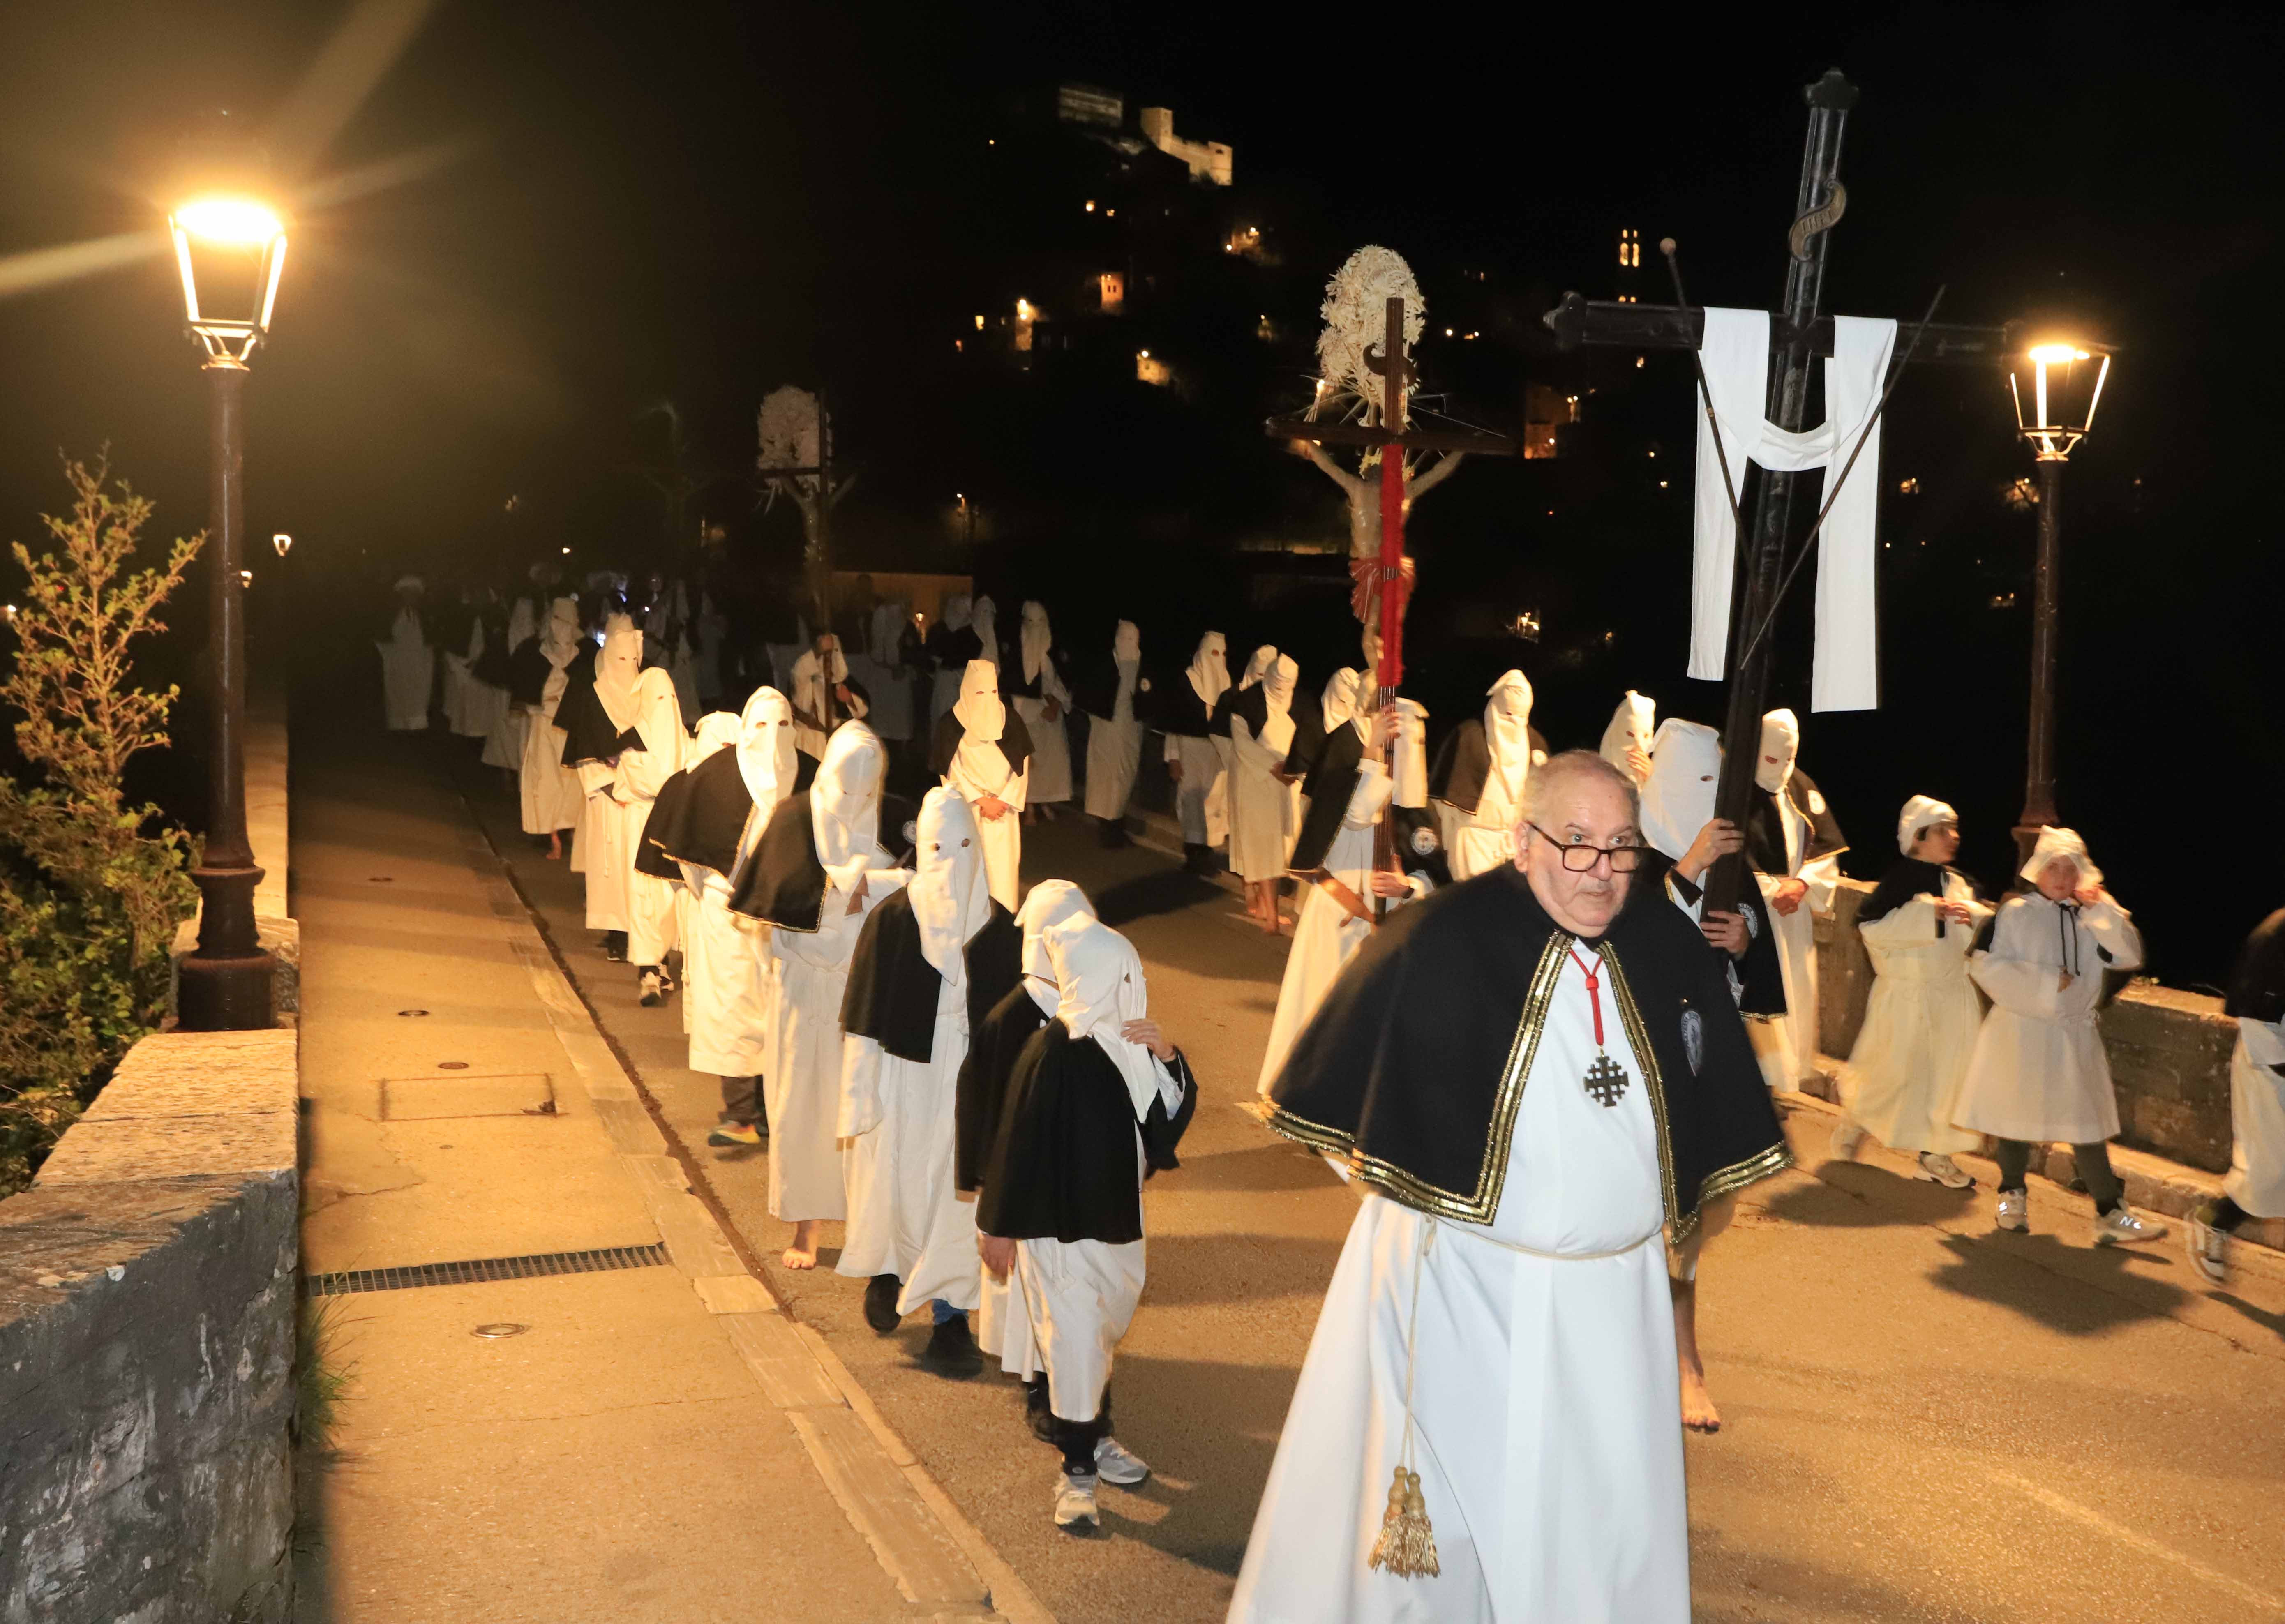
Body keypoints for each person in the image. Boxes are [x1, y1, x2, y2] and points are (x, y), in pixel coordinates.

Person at [1231, 750, 1789, 1622]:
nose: (1600, 871)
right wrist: (1436, 1218)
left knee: (1597, 1526)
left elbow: (1704, 1084)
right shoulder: (1440, 938)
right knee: (1460, 1530)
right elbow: (1361, 1122)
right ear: (1523, 843)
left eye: (1619, 846)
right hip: (1471, 1295)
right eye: (1575, 842)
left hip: (1615, 1299)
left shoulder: (1657, 940)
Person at [975, 914, 1198, 1532]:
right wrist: (997, 1226)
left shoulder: (1127, 1043)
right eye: (1126, 975)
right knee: (1073, 1345)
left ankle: (1094, 1440)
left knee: (1097, 1339)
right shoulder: (1052, 1051)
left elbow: (1162, 1130)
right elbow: (1013, 1146)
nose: (1137, 984)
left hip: (1116, 1222)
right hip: (1062, 1231)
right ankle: (1077, 1476)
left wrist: (1169, 1058)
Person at [837, 787, 1022, 1370]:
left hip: (969, 1088)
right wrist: (857, 1095)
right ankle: (888, 1273)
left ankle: (951, 1320)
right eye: (940, 848)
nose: (951, 863)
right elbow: (864, 1019)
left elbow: (1021, 1025)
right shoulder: (892, 919)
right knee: (894, 1184)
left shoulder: (1000, 926)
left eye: (963, 847)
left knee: (955, 1199)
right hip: (902, 1079)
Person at [732, 718, 904, 1267]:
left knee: (868, 1106)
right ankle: (808, 1228)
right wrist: (843, 906)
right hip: (808, 996)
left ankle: (871, 1224)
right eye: (843, 787)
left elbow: (927, 887)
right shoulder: (791, 822)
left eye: (865, 790)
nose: (853, 801)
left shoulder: (895, 819)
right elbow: (779, 921)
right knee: (806, 1110)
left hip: (871, 989)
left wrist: (869, 888)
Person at [1953, 827, 2164, 1243]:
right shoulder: (2014, 913)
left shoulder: (2091, 916)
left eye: (2071, 868)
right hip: (2022, 1030)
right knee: (2014, 1117)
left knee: (2086, 1124)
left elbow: (2129, 955)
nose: (2062, 876)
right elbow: (1983, 964)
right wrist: (2047, 983)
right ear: (2039, 869)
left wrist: (2102, 908)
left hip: (2072, 1036)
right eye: (2054, 866)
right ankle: (2010, 1197)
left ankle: (2109, 1213)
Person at [961, 880, 1098, 1399]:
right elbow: (987, 1117)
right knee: (1033, 1298)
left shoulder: (1093, 1003)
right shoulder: (1007, 1021)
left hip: (1077, 1176)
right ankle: (1041, 1384)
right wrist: (995, 1211)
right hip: (1025, 1184)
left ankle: (1076, 1381)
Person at [645, 690, 799, 1149]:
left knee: (782, 1014)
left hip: (786, 916)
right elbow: (692, 862)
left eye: (783, 726)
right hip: (728, 912)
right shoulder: (714, 776)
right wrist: (718, 894)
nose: (773, 738)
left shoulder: (809, 775)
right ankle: (741, 1114)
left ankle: (773, 1111)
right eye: (762, 726)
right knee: (736, 1011)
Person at [1256, 692, 1417, 1096]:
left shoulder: (1414, 802)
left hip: (1385, 927)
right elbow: (1359, 814)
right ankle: (1305, 1098)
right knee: (1320, 1014)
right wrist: (1372, 752)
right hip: (1338, 916)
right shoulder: (1348, 777)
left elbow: (1429, 872)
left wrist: (1409, 886)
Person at [1830, 796, 1990, 1188]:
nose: (1952, 837)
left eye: (1955, 830)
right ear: (1918, 837)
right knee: (1893, 1073)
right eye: (1941, 830)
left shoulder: (1959, 883)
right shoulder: (1901, 880)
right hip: (1909, 996)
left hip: (1951, 997)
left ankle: (1935, 1156)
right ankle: (1857, 1120)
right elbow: (1870, 927)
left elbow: (1975, 936)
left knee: (1949, 1078)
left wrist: (1973, 916)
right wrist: (1925, 914)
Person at [1743, 708, 1847, 1093]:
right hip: (1753, 913)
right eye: (1774, 759)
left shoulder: (1801, 788)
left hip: (1793, 912)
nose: (1783, 768)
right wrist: (1770, 891)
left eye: (1790, 759)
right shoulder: (1733, 788)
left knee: (1793, 992)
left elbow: (1826, 850)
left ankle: (1782, 1081)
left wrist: (1803, 884)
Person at [2188, 907, 2285, 1282]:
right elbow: (2254, 1012)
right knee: (2268, 1169)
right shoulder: (2275, 935)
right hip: (2271, 1064)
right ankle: (2213, 1222)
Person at [558, 625, 647, 961]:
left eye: (633, 659)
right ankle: (616, 935)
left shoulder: (646, 694)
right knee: (611, 870)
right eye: (620, 658)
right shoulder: (592, 697)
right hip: (607, 799)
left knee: (638, 870)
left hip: (640, 796)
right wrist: (610, 786)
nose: (627, 665)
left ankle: (644, 936)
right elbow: (585, 750)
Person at [930, 659, 1032, 911]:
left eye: (993, 692)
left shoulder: (1011, 721)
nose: (987, 699)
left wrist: (1004, 800)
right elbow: (951, 769)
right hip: (968, 812)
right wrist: (979, 799)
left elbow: (1022, 767)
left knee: (1002, 873)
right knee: (968, 871)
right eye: (979, 692)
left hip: (1003, 813)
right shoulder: (952, 723)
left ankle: (1002, 925)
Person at [617, 664, 690, 1004]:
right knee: (645, 896)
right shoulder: (632, 741)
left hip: (673, 826)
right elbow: (649, 784)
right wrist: (676, 782)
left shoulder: (685, 740)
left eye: (670, 698)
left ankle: (661, 964)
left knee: (671, 899)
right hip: (643, 823)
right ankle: (648, 967)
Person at [1427, 671, 1549, 863]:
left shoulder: (1535, 744)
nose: (1515, 723)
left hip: (1515, 844)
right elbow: (1443, 803)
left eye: (1521, 717)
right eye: (1509, 714)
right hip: (1473, 842)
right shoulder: (1469, 737)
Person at [1228, 651, 1301, 933]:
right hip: (1253, 782)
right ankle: (1271, 917)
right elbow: (1243, 745)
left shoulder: (1298, 704)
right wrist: (1275, 768)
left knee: (1275, 849)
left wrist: (1294, 769)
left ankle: (1265, 907)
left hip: (1282, 786)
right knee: (1264, 849)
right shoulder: (1245, 704)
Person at [514, 597, 586, 859]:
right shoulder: (534, 652)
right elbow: (527, 688)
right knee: (546, 780)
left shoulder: (585, 653)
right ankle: (553, 836)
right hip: (544, 724)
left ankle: (572, 831)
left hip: (571, 727)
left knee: (572, 782)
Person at [1162, 631, 1230, 877]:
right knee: (1191, 799)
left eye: (1222, 654)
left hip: (1216, 750)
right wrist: (1173, 757)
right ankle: (1194, 853)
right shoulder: (1186, 680)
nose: (1218, 659)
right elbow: (1173, 722)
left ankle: (1207, 851)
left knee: (1213, 800)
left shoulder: (1226, 682)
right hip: (1189, 747)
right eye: (1214, 653)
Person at [1076, 621, 1149, 848]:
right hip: (1107, 729)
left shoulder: (1140, 664)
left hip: (1131, 729)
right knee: (1107, 778)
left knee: (1125, 777)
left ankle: (1117, 824)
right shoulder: (1105, 665)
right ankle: (1108, 828)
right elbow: (1091, 696)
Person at [1008, 602, 1073, 819]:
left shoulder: (1052, 651)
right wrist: (1036, 707)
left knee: (1053, 761)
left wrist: (1055, 704)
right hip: (1028, 714)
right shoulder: (1017, 654)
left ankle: (1046, 801)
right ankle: (1029, 806)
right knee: (1031, 763)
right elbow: (1017, 686)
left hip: (1051, 712)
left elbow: (1059, 681)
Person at [789, 632, 866, 761]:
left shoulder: (840, 683)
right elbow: (800, 671)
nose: (829, 661)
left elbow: (861, 711)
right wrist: (818, 651)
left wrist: (849, 700)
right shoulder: (806, 681)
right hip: (810, 744)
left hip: (836, 746)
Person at [376, 576, 434, 731]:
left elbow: (431, 638)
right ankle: (399, 725)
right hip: (398, 660)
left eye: (413, 594)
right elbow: (382, 636)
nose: (410, 598)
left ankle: (417, 725)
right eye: (407, 594)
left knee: (418, 693)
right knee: (398, 692)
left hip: (419, 661)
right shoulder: (392, 615)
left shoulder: (424, 615)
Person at [925, 592, 979, 725]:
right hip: (945, 682)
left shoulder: (971, 632)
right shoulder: (940, 630)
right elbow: (930, 658)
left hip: (963, 682)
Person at [1600, 690, 1657, 786]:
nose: (1638, 743)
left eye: (1646, 736)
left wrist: (1653, 780)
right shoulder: (1595, 776)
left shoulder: (1656, 776)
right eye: (1630, 735)